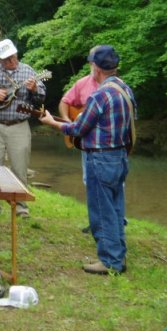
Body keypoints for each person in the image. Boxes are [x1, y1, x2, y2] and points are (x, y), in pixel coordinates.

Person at [39, 45, 136, 274]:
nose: (90, 67)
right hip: (120, 156)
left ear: (96, 68)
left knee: (102, 211)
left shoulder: (100, 95)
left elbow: (79, 129)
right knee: (116, 208)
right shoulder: (125, 89)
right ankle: (118, 256)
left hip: (100, 159)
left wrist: (52, 123)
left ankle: (110, 261)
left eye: (91, 63)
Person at [0, 38, 46, 218]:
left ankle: (21, 205)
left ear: (16, 54)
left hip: (19, 125)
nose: (10, 62)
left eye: (12, 57)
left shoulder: (29, 71)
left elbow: (40, 99)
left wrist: (35, 89)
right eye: (5, 59)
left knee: (20, 165)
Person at [58, 46, 100, 234]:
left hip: (106, 144)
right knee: (88, 180)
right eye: (90, 60)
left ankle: (116, 221)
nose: (92, 64)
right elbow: (64, 101)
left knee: (112, 184)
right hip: (85, 142)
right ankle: (95, 222)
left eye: (95, 61)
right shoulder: (82, 83)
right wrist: (68, 121)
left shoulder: (115, 87)